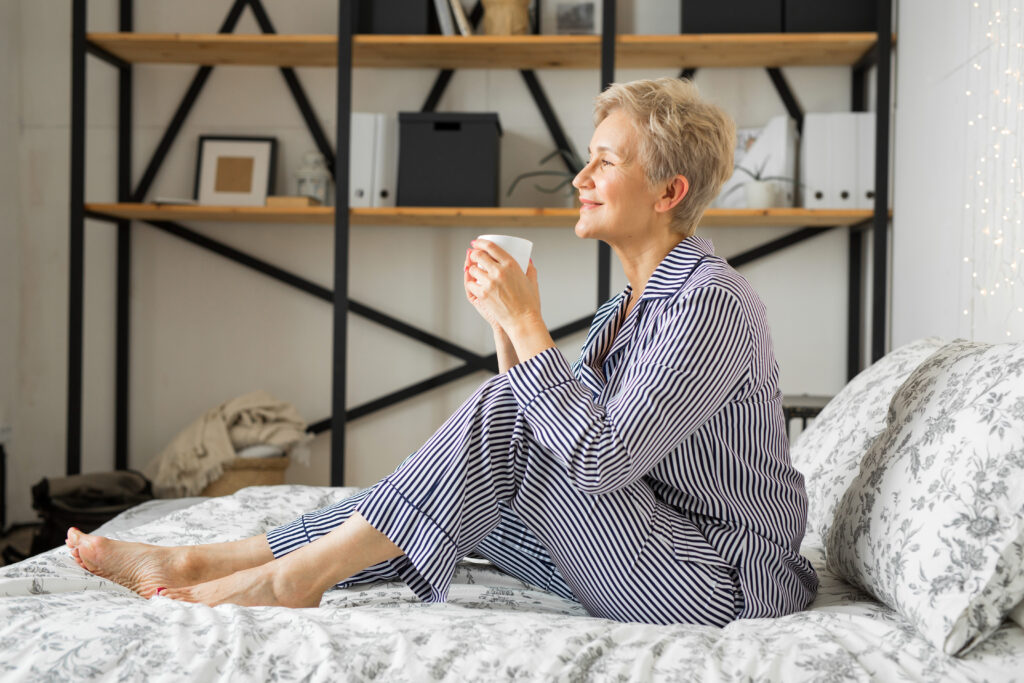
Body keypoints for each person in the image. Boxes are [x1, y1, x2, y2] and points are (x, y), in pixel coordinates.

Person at [66, 77, 818, 625]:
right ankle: (222, 561)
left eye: (605, 162)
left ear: (667, 191)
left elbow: (597, 459)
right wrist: (506, 322)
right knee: (443, 493)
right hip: (648, 540)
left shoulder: (710, 300)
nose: (580, 178)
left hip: (716, 579)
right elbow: (541, 437)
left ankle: (287, 579)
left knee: (493, 420)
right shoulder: (623, 308)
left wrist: (528, 327)